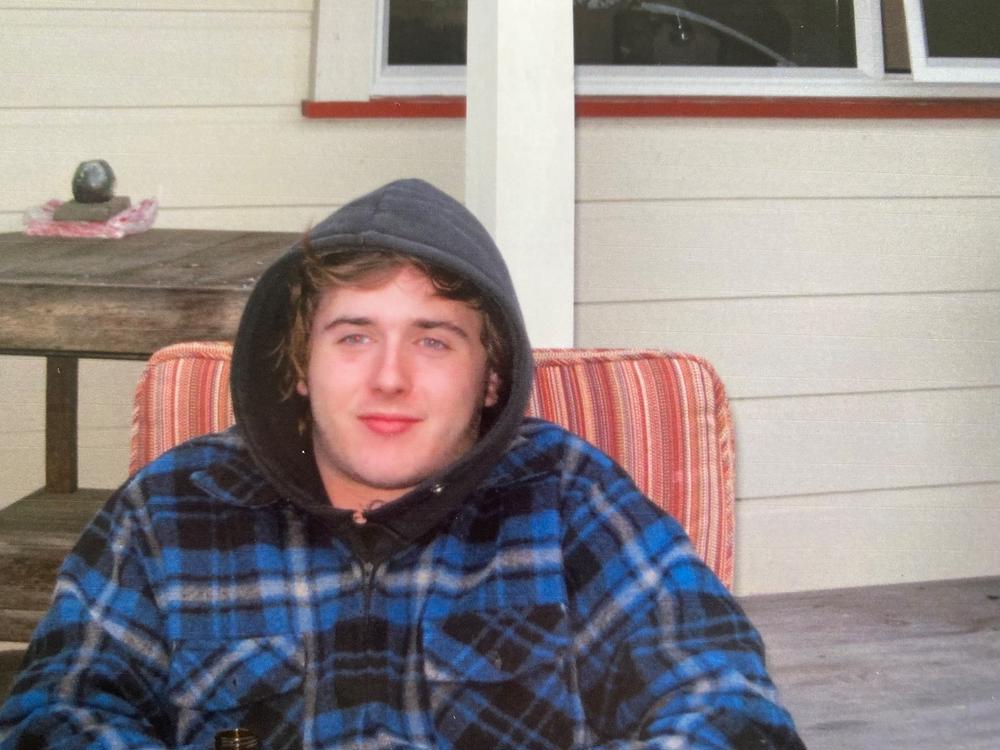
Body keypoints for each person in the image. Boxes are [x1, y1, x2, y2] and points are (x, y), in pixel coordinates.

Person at [0, 179, 805, 749]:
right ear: (300, 364)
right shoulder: (174, 506)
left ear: (492, 378)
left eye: (434, 340)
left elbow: (726, 702)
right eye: (354, 336)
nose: (390, 377)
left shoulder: (567, 497)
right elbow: (57, 711)